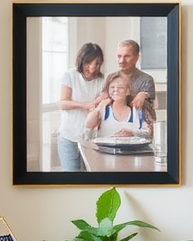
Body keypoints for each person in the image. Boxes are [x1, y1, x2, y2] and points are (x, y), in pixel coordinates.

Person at [56, 42, 104, 170]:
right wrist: (84, 105)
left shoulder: (101, 80)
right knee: (71, 179)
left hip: (90, 139)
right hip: (68, 137)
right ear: (81, 61)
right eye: (88, 64)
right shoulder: (70, 75)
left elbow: (102, 103)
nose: (92, 68)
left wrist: (101, 101)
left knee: (89, 178)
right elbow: (63, 103)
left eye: (97, 64)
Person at [84, 71, 152, 141]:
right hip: (106, 151)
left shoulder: (136, 112)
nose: (116, 90)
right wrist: (100, 106)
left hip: (131, 151)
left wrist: (133, 133)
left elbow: (147, 133)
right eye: (112, 87)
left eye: (120, 87)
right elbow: (88, 126)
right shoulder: (103, 110)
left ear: (128, 91)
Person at [115, 39, 156, 122]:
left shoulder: (146, 80)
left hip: (141, 127)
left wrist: (143, 94)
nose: (121, 61)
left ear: (137, 57)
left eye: (126, 56)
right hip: (116, 126)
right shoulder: (112, 79)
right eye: (119, 56)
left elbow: (147, 110)